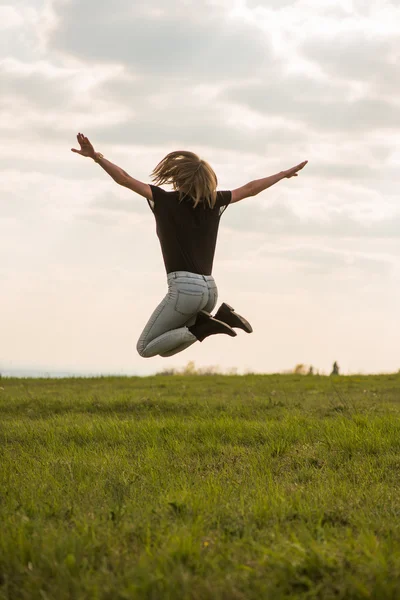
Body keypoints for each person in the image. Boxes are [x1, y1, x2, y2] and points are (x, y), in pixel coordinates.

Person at [71, 133, 308, 358]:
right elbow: (250, 189)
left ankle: (206, 326)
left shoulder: (164, 200)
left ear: (177, 177)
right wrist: (282, 174)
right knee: (165, 347)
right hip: (210, 290)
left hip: (184, 289)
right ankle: (220, 317)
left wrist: (96, 156)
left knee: (144, 348)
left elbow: (123, 178)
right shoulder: (214, 202)